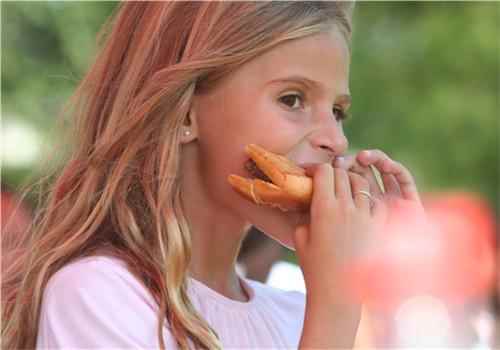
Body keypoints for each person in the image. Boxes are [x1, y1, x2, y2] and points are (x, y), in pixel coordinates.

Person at [2, 2, 426, 349]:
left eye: (338, 111)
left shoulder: (297, 314)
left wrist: (398, 291)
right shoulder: (97, 295)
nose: (335, 139)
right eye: (292, 99)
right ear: (185, 112)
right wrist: (337, 303)